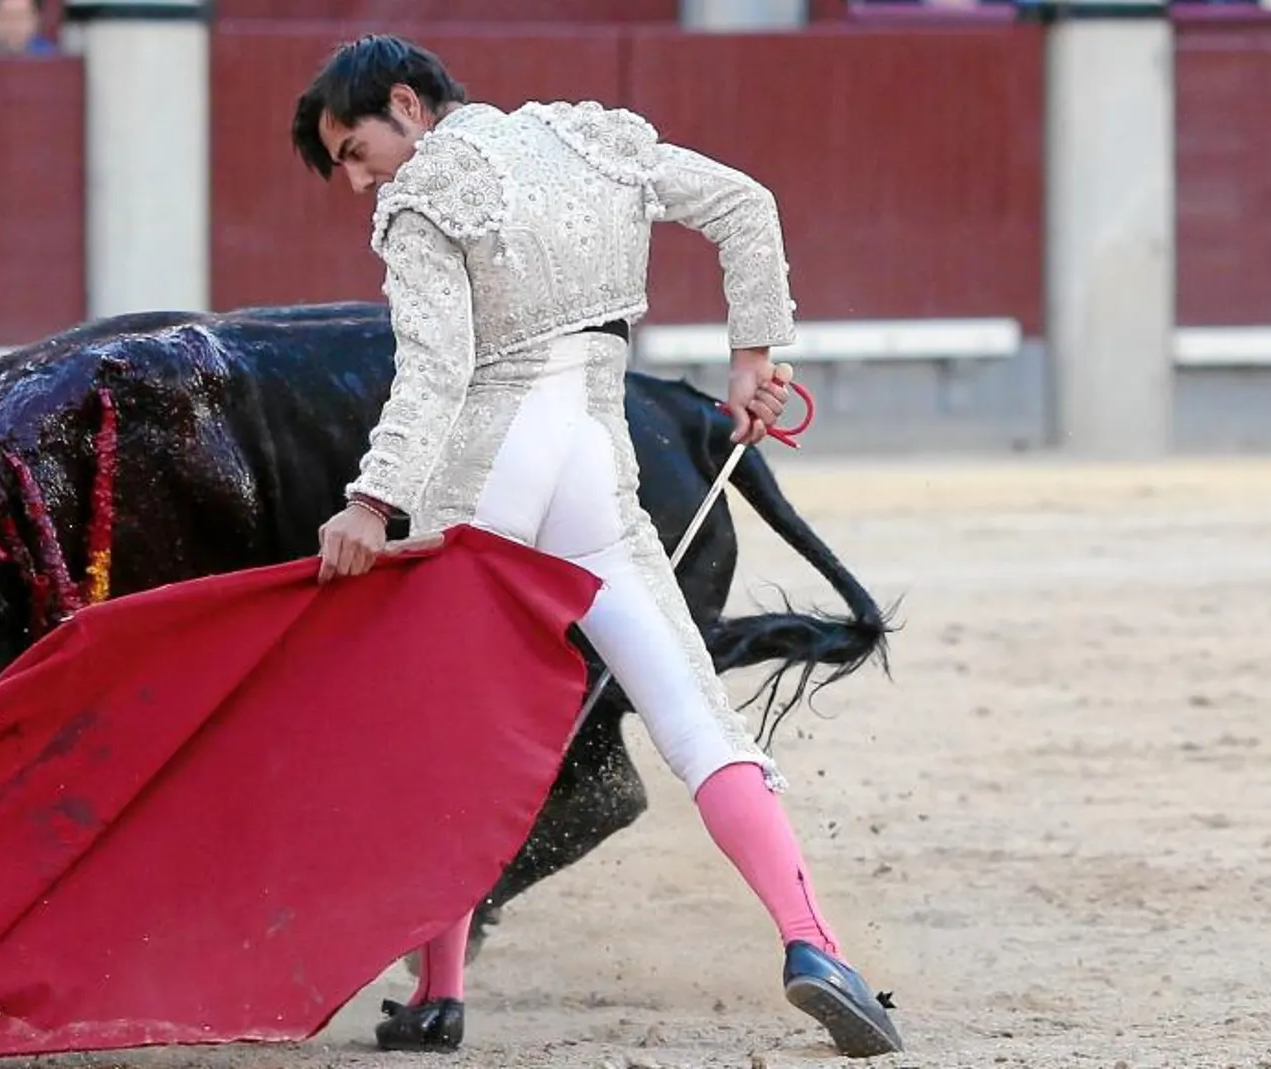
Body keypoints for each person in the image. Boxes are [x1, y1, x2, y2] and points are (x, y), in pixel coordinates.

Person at [290, 34, 905, 1060]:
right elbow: (743, 202)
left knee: (448, 741)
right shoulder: (592, 144)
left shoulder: (424, 194)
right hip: (591, 443)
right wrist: (754, 356)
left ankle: (439, 993)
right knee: (690, 710)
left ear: (406, 103)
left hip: (487, 464)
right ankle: (813, 945)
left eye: (355, 150)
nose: (358, 182)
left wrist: (371, 499)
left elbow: (436, 369)